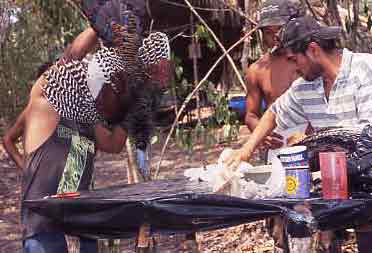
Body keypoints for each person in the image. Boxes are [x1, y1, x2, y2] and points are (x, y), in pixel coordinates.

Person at [2, 5, 171, 253]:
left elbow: (114, 145)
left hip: (81, 223)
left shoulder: (86, 119)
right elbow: (72, 56)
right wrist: (97, 27)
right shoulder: (43, 104)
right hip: (44, 226)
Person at [225, 15, 372, 253]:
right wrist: (246, 150)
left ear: (313, 50)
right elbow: (274, 112)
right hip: (338, 183)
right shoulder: (306, 86)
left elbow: (367, 139)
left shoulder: (365, 69)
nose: (294, 68)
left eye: (295, 59)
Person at [245, 0, 303, 150]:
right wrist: (263, 134)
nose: (275, 36)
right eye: (268, 32)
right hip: (280, 144)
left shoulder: (311, 59)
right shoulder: (256, 70)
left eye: (280, 29)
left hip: (316, 140)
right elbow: (251, 115)